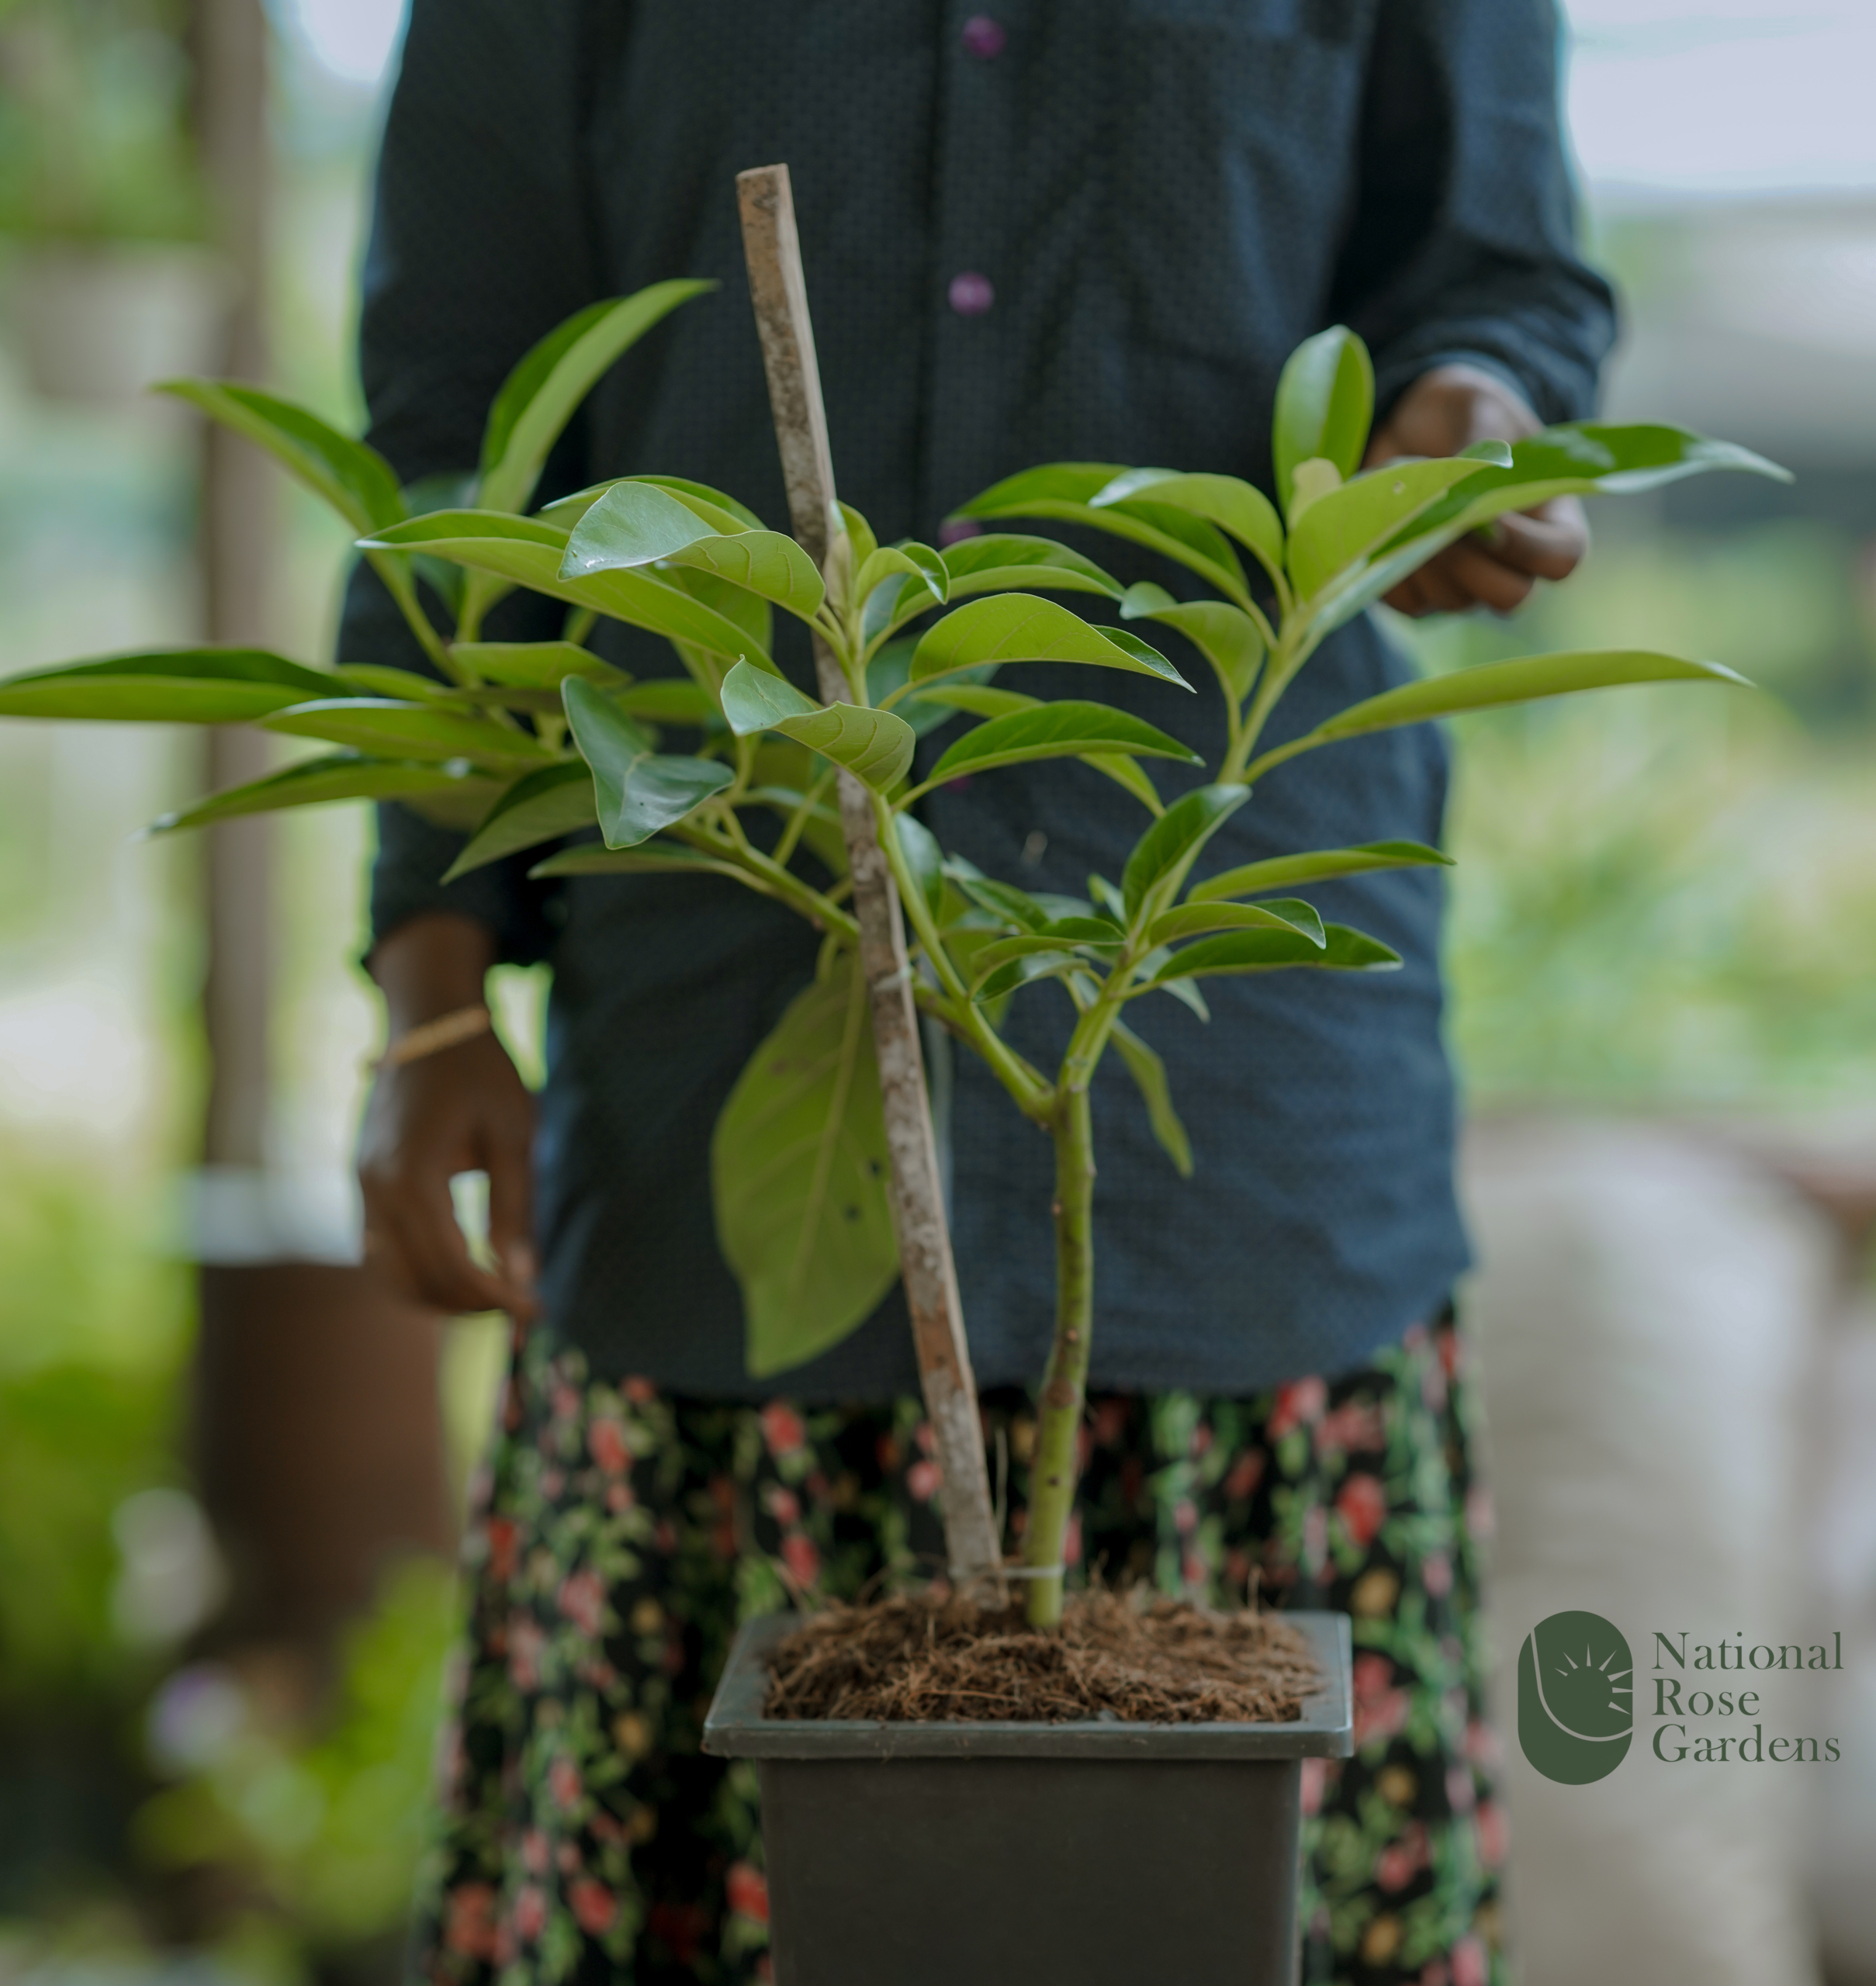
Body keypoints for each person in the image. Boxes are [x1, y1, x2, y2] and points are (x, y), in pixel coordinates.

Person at [348, 5, 1610, 1981]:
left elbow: (1500, 277)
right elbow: (462, 434)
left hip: (1230, 1098)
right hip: (716, 1030)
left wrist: (1473, 422)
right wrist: (430, 988)